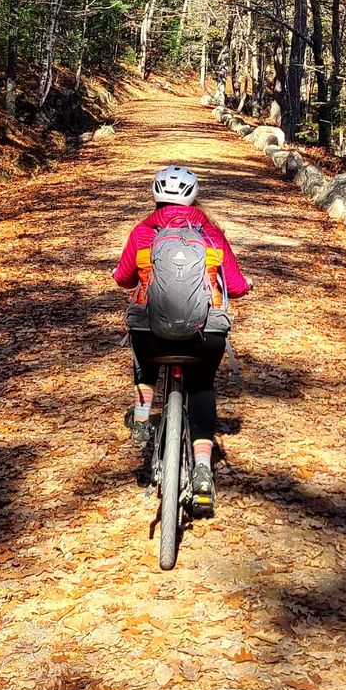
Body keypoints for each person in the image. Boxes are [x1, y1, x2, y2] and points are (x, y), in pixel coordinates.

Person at [112, 164, 249, 513]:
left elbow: (123, 279)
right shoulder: (212, 235)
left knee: (143, 352)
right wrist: (246, 286)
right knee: (201, 387)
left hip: (151, 336)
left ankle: (143, 416)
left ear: (155, 196)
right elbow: (235, 286)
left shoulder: (143, 233)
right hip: (204, 337)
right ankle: (202, 470)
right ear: (194, 197)